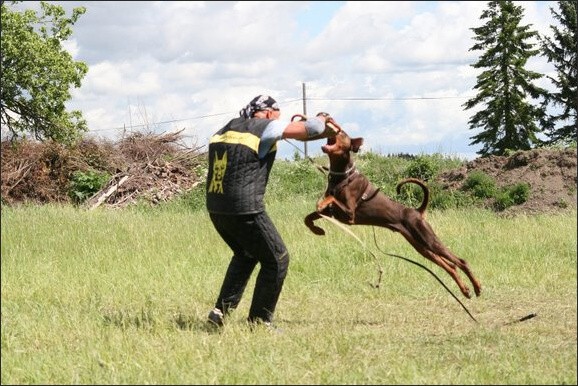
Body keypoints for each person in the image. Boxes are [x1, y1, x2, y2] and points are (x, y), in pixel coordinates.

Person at [205, 94, 338, 329]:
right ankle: (259, 322)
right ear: (268, 113)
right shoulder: (266, 127)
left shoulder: (225, 129)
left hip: (217, 208)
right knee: (277, 259)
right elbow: (314, 127)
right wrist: (322, 117)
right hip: (244, 208)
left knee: (246, 254)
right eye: (278, 115)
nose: (279, 120)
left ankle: (220, 312)